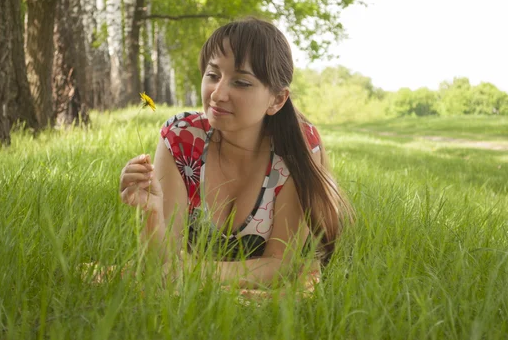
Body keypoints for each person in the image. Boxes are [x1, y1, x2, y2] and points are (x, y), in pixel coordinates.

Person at [119, 17, 352, 289]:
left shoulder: (296, 148)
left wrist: (195, 272)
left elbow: (279, 263)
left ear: (277, 99)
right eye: (213, 75)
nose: (218, 94)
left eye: (241, 82)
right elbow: (162, 263)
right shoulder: (181, 137)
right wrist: (152, 213)